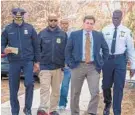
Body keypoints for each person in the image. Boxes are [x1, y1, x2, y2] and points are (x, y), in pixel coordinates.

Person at [65, 15, 109, 115]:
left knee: (95, 92)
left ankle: (91, 112)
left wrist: (101, 63)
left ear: (94, 25)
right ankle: (75, 113)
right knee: (75, 93)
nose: (89, 25)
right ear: (83, 23)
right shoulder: (74, 34)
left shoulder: (98, 35)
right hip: (77, 66)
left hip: (93, 67)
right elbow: (67, 50)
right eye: (87, 23)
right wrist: (70, 63)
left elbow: (106, 50)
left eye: (91, 24)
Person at [1, 8, 40, 115]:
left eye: (21, 14)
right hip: (14, 62)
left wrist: (37, 62)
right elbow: (2, 44)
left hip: (28, 61)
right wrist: (4, 49)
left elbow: (36, 46)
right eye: (16, 14)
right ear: (12, 15)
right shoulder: (7, 29)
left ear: (24, 15)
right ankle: (15, 111)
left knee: (30, 84)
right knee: (13, 88)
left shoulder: (30, 28)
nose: (18, 16)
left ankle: (27, 109)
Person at [102, 10, 135, 115]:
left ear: (121, 18)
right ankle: (107, 103)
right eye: (113, 17)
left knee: (119, 87)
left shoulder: (126, 31)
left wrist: (133, 66)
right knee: (106, 85)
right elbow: (100, 47)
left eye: (117, 18)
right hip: (107, 60)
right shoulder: (105, 29)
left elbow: (130, 49)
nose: (115, 20)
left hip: (120, 60)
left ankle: (117, 111)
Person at [37, 14, 67, 115]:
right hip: (45, 66)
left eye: (55, 20)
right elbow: (37, 49)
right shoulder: (42, 33)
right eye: (51, 20)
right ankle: (43, 109)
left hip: (58, 67)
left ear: (57, 21)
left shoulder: (63, 34)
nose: (53, 22)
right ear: (48, 21)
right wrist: (38, 62)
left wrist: (65, 63)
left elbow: (66, 50)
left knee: (56, 91)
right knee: (44, 88)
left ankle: (53, 110)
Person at [59, 19, 72, 111]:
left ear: (68, 24)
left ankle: (62, 104)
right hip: (56, 65)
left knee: (65, 85)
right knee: (56, 87)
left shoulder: (72, 35)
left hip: (68, 65)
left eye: (66, 23)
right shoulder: (56, 34)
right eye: (63, 23)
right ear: (60, 24)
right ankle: (54, 102)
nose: (64, 25)